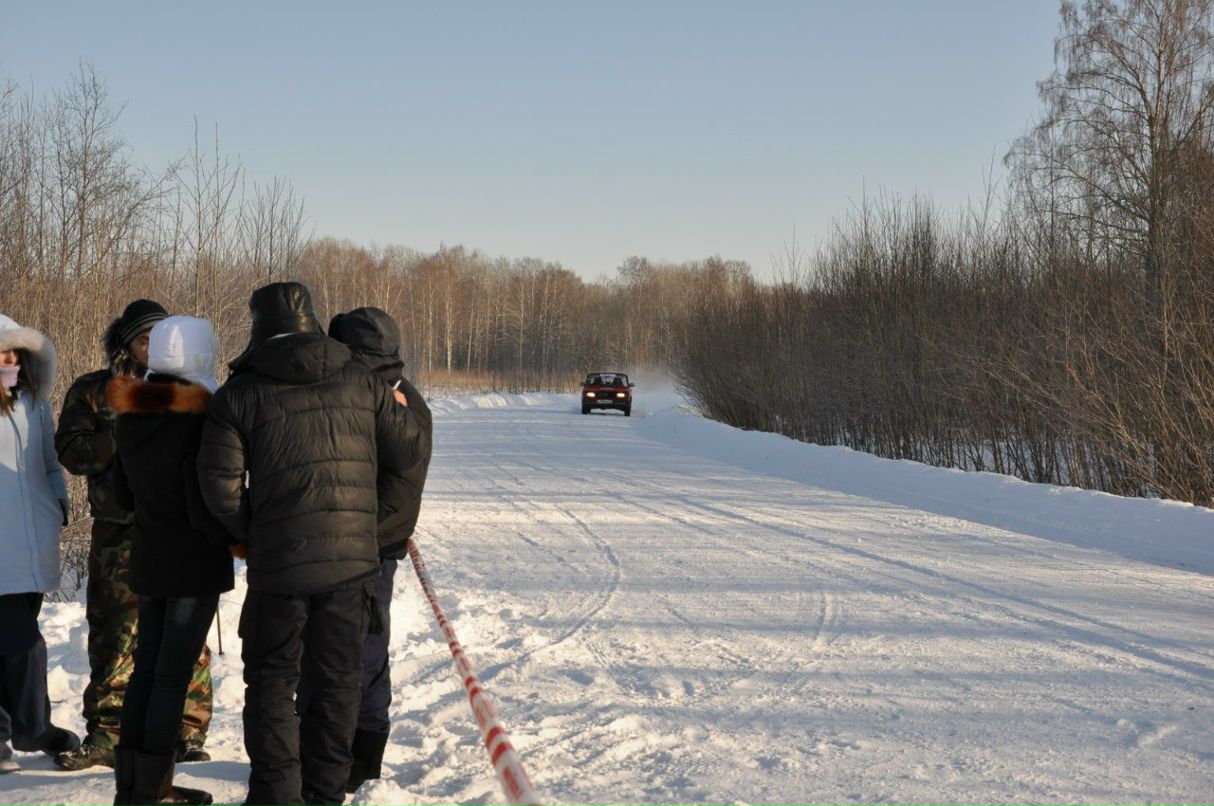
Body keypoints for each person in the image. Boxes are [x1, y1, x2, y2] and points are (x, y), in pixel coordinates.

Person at [197, 282, 423, 806]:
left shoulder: (239, 394)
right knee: (338, 682)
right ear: (314, 320)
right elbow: (408, 454)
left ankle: (277, 793)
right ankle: (324, 794)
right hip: (351, 568)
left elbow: (220, 488)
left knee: (273, 684)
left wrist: (253, 534)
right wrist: (395, 409)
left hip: (279, 568)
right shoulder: (362, 381)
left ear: (258, 326)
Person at [54, 300, 214, 770]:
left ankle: (188, 728)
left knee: (186, 634)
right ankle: (107, 732)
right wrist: (127, 432)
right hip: (118, 530)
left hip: (177, 529)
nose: (152, 348)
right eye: (144, 339)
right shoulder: (95, 391)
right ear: (125, 343)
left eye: (160, 339)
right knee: (114, 633)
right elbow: (71, 451)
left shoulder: (193, 391)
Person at [107, 317, 233, 806]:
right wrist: (232, 534)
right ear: (201, 355)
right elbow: (206, 500)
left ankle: (132, 785)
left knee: (146, 670)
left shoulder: (132, 411)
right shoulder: (201, 416)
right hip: (191, 562)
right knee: (170, 676)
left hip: (149, 554)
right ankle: (154, 792)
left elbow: (122, 493)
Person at [308, 307, 433, 793]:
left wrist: (350, 532)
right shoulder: (389, 391)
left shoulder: (386, 400)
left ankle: (362, 757)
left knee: (362, 651)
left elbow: (392, 482)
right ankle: (339, 751)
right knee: (351, 650)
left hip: (370, 547)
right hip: (366, 542)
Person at [0, 314, 82, 773]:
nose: (9, 359)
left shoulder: (34, 405)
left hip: (34, 541)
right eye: (1, 352)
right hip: (1, 544)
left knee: (8, 642)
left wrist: (59, 500)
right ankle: (33, 728)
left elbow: (50, 463)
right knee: (25, 644)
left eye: (15, 352)